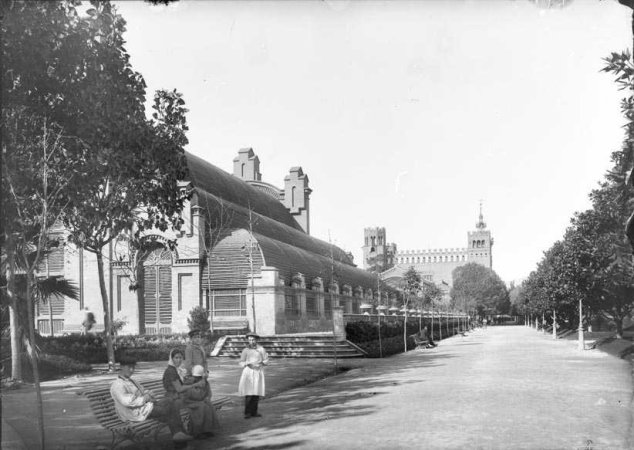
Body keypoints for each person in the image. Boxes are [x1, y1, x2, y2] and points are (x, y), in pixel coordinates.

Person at [110, 358, 193, 443]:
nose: (132, 370)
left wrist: (149, 394)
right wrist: (145, 398)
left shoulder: (132, 381)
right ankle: (178, 434)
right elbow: (128, 402)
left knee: (170, 401)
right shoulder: (118, 385)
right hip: (134, 413)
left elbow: (143, 391)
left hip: (144, 407)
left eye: (133, 367)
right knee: (169, 409)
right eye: (129, 367)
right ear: (121, 367)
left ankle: (178, 434)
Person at [182, 364, 220, 438]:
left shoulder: (203, 382)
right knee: (201, 407)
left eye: (199, 377)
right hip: (189, 402)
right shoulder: (188, 382)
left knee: (208, 405)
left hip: (199, 400)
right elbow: (195, 395)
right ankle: (197, 432)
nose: (197, 378)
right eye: (196, 377)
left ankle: (207, 430)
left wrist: (207, 398)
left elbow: (208, 392)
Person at [238, 332, 269, 419]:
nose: (251, 341)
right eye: (250, 340)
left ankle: (254, 412)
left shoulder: (261, 349)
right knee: (249, 393)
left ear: (256, 340)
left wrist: (261, 363)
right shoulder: (245, 350)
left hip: (258, 372)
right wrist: (247, 363)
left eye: (253, 339)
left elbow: (266, 360)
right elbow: (241, 362)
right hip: (248, 373)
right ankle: (247, 412)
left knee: (256, 392)